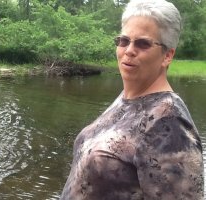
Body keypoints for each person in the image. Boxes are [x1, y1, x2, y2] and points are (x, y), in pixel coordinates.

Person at [60, 0, 204, 199]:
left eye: (143, 43)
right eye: (124, 40)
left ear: (167, 56)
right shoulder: (127, 98)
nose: (129, 50)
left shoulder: (169, 123)